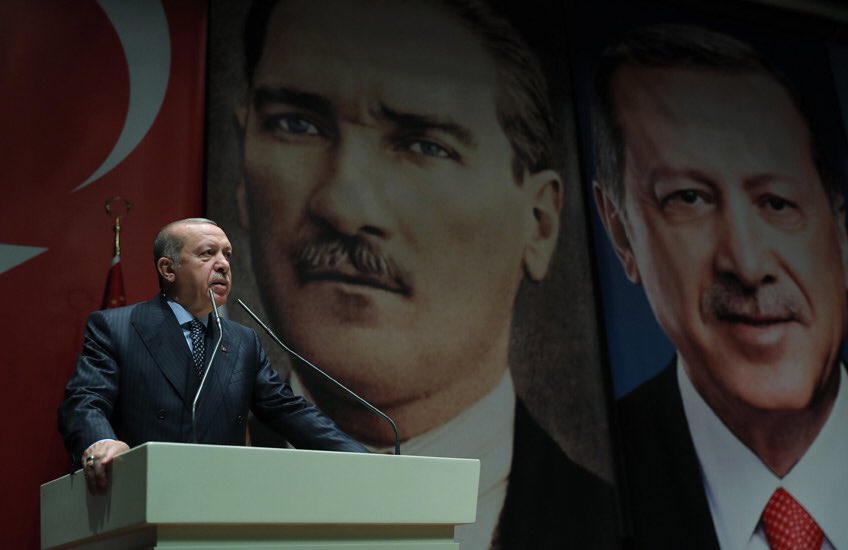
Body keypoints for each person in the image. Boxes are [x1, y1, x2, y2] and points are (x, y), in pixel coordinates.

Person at [226, 0, 620, 547]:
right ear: (243, 180)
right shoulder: (173, 494)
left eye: (424, 145)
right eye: (297, 124)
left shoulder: (618, 530)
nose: (343, 206)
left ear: (539, 223)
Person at [592, 24, 848, 549]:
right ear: (621, 233)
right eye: (689, 198)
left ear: (842, 232)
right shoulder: (571, 490)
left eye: (777, 202)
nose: (748, 265)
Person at [58, 218, 368, 496]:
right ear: (168, 269)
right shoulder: (118, 328)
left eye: (227, 255)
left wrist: (362, 459)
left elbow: (289, 411)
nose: (223, 265)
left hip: (221, 498)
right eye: (207, 254)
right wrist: (99, 442)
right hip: (143, 494)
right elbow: (85, 401)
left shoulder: (242, 341)